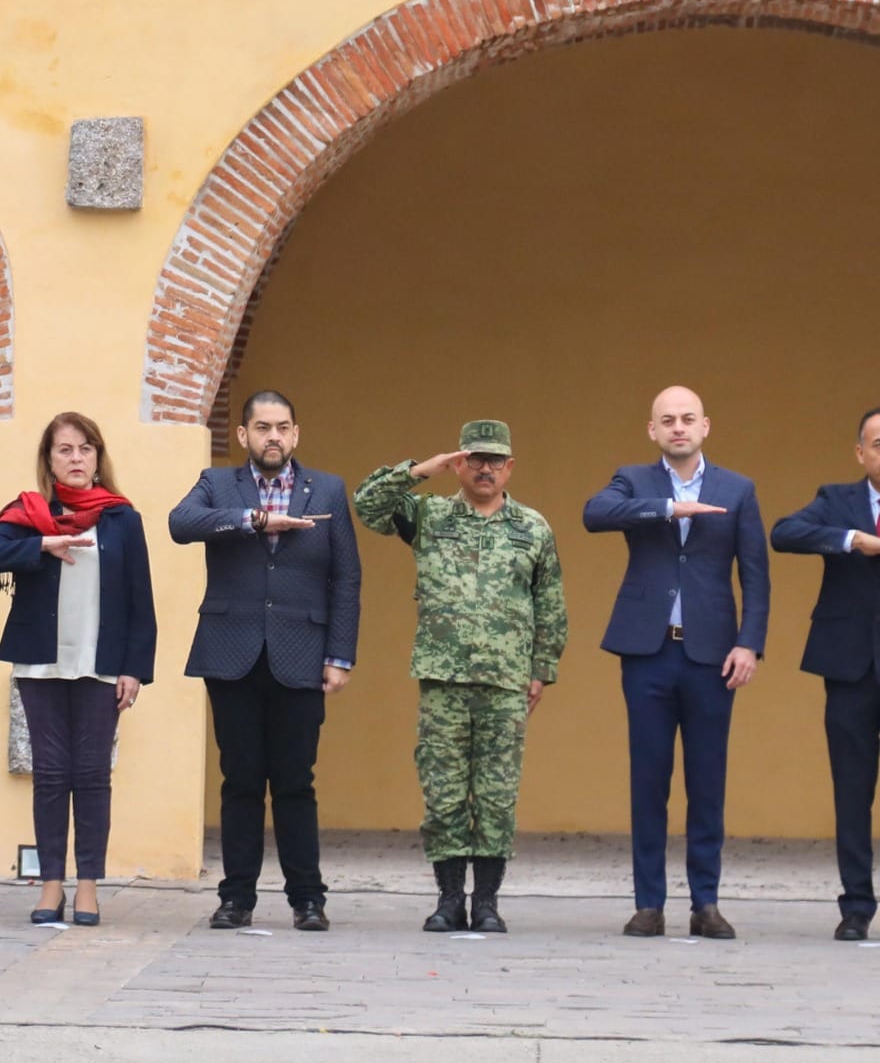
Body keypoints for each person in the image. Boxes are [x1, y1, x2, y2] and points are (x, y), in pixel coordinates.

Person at [353, 421, 567, 933]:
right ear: (460, 463)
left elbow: (550, 604)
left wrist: (542, 670)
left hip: (506, 683)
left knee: (495, 795)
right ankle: (450, 899)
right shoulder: (430, 517)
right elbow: (367, 505)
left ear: (510, 466)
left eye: (496, 460)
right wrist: (421, 470)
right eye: (475, 458)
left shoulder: (532, 527)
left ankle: (487, 902)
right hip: (443, 679)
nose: (486, 468)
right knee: (444, 791)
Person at [168, 390, 360, 932]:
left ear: (296, 434)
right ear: (245, 435)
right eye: (261, 427)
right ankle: (236, 899)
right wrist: (253, 520)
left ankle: (308, 899)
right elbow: (180, 524)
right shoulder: (218, 486)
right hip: (232, 653)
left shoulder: (326, 489)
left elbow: (345, 577)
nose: (272, 436)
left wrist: (340, 655)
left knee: (296, 781)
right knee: (241, 780)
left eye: (281, 427)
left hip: (302, 652)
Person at [583, 385, 769, 940]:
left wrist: (749, 643)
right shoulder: (635, 481)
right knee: (649, 779)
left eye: (688, 419)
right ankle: (649, 904)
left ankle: (705, 903)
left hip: (714, 655)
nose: (679, 428)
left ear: (706, 425)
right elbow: (595, 514)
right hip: (649, 653)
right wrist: (667, 507)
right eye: (668, 420)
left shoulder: (738, 489)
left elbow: (756, 576)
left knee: (707, 781)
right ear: (653, 430)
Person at [0, 412, 157, 926]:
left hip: (102, 664)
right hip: (41, 661)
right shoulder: (31, 513)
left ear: (99, 458)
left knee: (93, 775)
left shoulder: (123, 518)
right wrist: (41, 546)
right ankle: (51, 886)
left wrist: (135, 669)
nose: (76, 459)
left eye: (85, 449)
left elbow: (141, 599)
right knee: (51, 774)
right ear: (48, 460)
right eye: (64, 450)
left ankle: (89, 887)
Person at [769, 406, 880, 941]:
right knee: (853, 791)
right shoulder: (839, 500)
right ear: (860, 453)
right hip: (851, 668)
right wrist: (851, 540)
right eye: (878, 443)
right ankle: (856, 906)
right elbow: (784, 532)